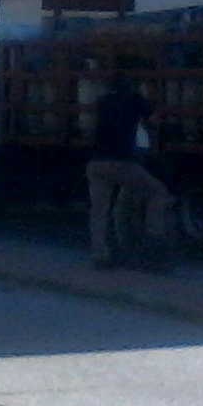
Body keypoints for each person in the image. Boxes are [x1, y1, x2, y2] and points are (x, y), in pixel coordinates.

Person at [87, 73, 173, 272]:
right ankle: (154, 240)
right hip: (122, 162)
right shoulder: (136, 100)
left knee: (99, 212)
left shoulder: (102, 101)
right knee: (157, 192)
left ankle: (100, 256)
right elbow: (152, 119)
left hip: (96, 162)